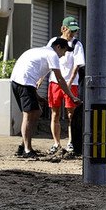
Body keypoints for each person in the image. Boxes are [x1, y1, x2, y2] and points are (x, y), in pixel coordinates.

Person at [9, 38, 75, 158]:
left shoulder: (39, 51)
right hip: (24, 82)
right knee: (29, 114)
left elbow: (30, 74)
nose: (63, 55)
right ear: (58, 47)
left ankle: (23, 145)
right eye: (64, 52)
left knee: (36, 112)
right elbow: (60, 79)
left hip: (16, 81)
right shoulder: (52, 54)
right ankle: (27, 150)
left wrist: (38, 98)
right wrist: (72, 96)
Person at [42, 16, 85, 154]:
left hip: (70, 83)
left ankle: (71, 142)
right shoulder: (54, 42)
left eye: (75, 31)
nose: (72, 34)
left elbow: (77, 65)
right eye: (70, 31)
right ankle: (56, 143)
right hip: (55, 81)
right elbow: (47, 61)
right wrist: (41, 78)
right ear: (63, 28)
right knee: (55, 112)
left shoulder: (77, 44)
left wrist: (70, 81)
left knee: (71, 114)